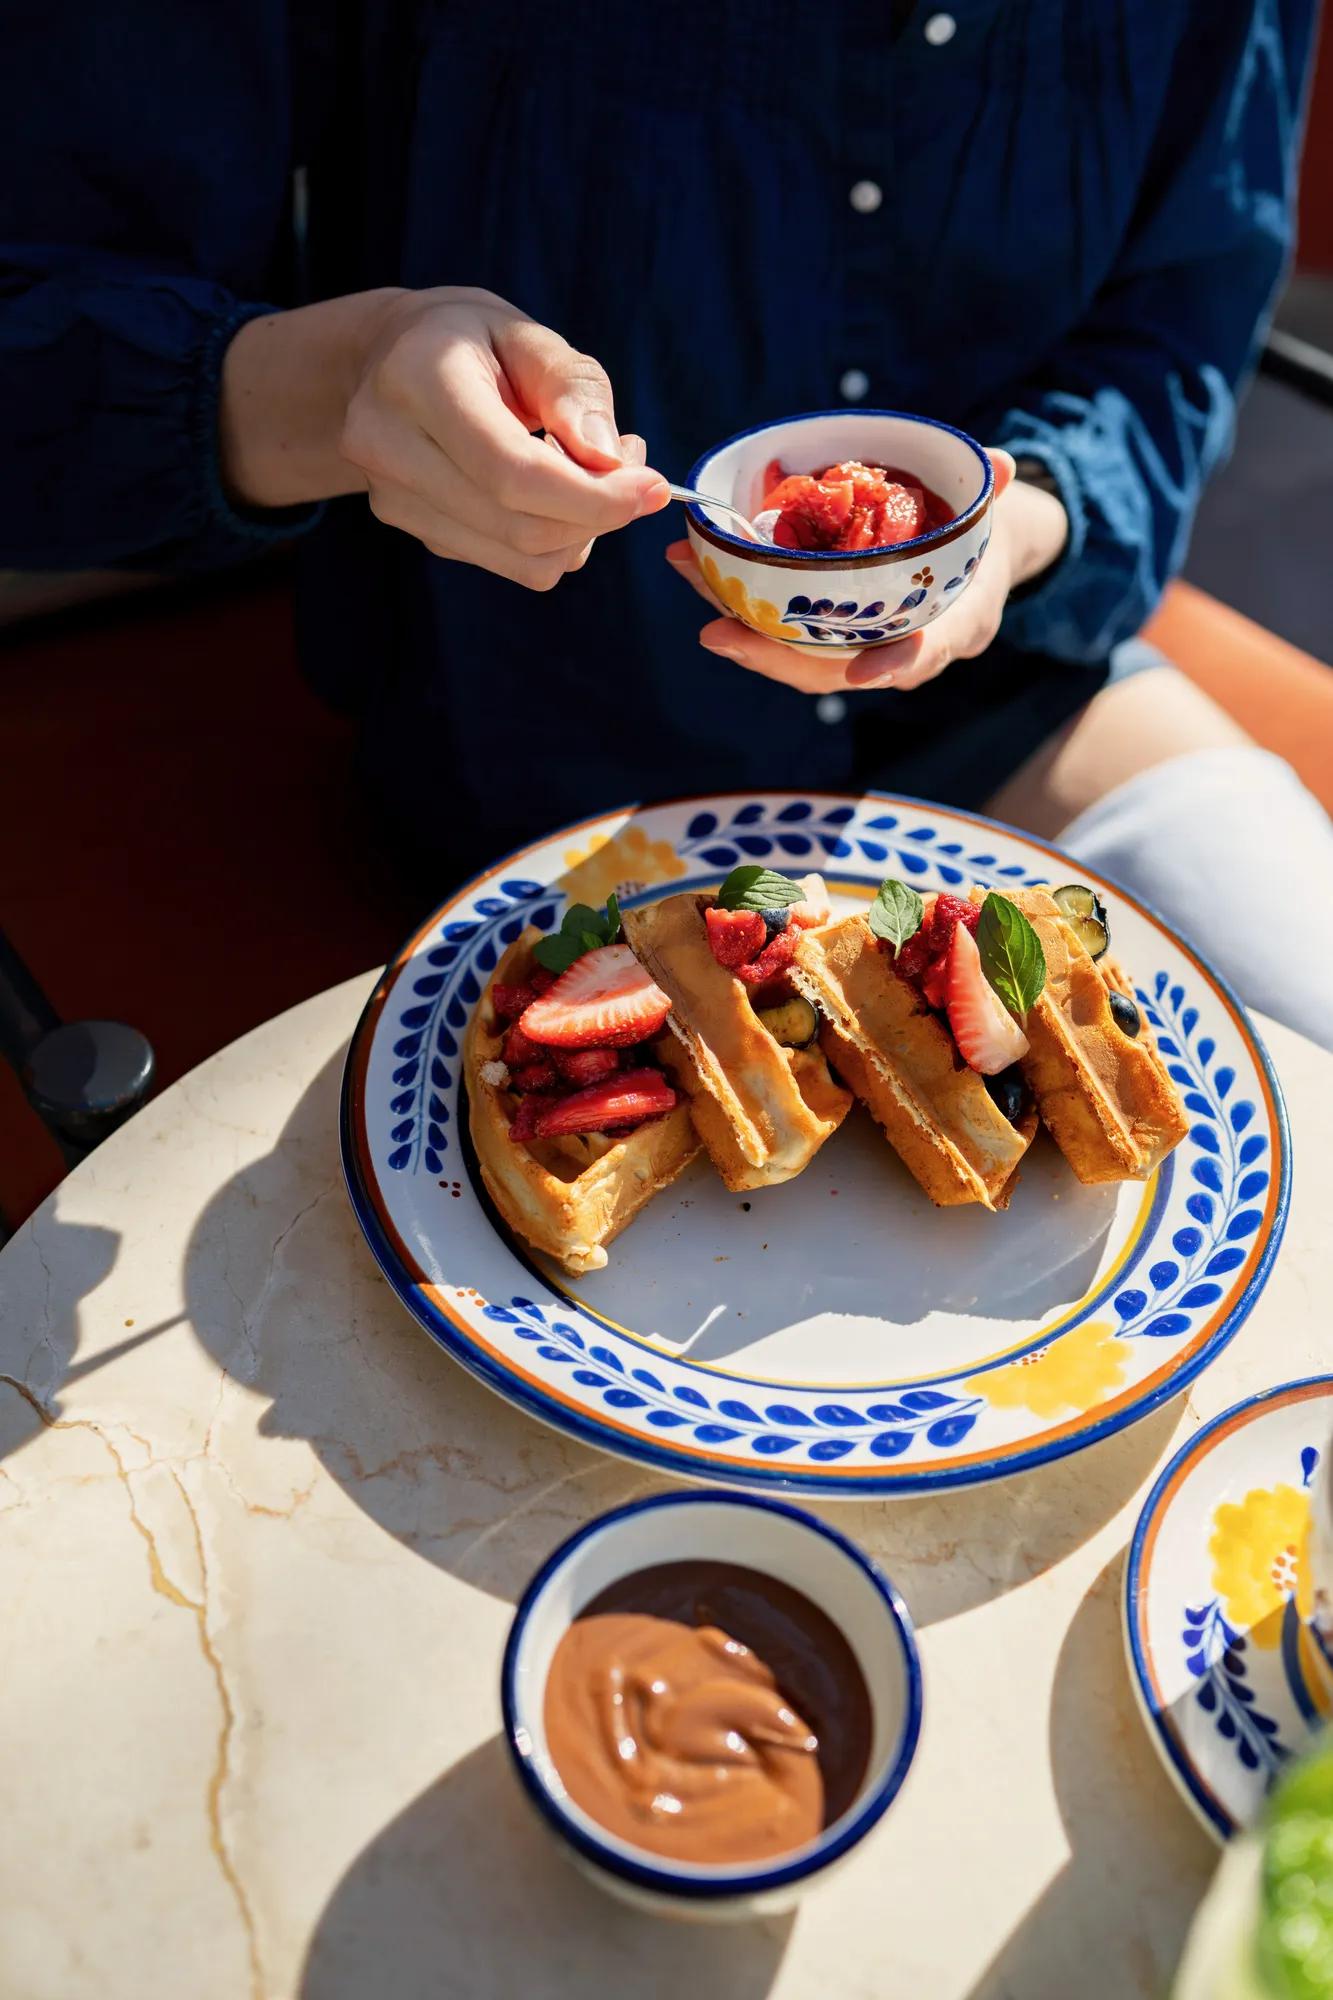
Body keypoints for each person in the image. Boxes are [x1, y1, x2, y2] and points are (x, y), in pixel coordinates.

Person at [3, 2, 1330, 1044]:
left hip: (1013, 694)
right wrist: (345, 381)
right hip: (537, 741)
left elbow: (1174, 322)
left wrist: (1017, 521)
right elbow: (39, 341)